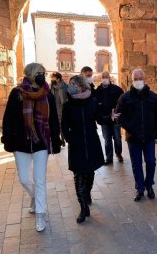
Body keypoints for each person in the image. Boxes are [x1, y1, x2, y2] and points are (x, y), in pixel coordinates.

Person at [1, 63, 62, 232]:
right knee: (23, 178)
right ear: (31, 74)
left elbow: (54, 119)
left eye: (44, 72)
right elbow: (8, 118)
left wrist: (56, 141)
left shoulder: (48, 94)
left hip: (41, 141)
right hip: (21, 142)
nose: (43, 75)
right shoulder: (17, 93)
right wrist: (8, 138)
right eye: (40, 73)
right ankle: (35, 197)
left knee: (40, 179)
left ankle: (41, 214)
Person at [61, 75, 105, 223]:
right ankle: (83, 207)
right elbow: (64, 126)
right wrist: (70, 139)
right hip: (77, 145)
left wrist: (111, 118)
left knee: (90, 174)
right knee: (78, 176)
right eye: (70, 84)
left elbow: (100, 119)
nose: (70, 86)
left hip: (92, 143)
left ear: (81, 86)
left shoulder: (92, 102)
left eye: (73, 84)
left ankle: (87, 194)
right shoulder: (67, 105)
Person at [115, 68, 157, 202]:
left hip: (148, 137)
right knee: (136, 164)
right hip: (133, 138)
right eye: (135, 79)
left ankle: (149, 186)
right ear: (132, 80)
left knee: (151, 162)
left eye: (140, 78)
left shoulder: (153, 97)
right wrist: (129, 126)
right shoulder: (125, 97)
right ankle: (140, 188)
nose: (138, 81)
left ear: (145, 79)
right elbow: (118, 116)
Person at [96, 71, 124, 164]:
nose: (104, 78)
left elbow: (122, 102)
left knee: (117, 138)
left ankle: (118, 154)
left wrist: (118, 113)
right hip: (104, 120)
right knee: (107, 140)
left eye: (106, 76)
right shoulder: (98, 91)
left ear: (109, 77)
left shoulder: (117, 90)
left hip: (115, 119)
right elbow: (96, 105)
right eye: (103, 77)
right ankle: (109, 158)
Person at [50, 72, 68, 146]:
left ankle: (64, 139)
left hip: (62, 108)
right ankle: (59, 140)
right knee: (56, 125)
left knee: (62, 125)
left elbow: (64, 99)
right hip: (54, 108)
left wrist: (59, 87)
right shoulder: (51, 86)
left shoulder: (64, 86)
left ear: (58, 79)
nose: (52, 80)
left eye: (53, 78)